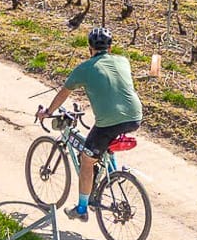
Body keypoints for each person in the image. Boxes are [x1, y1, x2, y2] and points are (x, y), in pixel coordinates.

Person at [36, 26, 142, 221]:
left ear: (89, 48)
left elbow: (63, 93)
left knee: (86, 160)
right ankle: (111, 173)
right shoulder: (123, 61)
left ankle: (82, 208)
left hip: (109, 122)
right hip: (135, 116)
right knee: (104, 142)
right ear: (110, 48)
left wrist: (48, 112)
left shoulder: (84, 68)